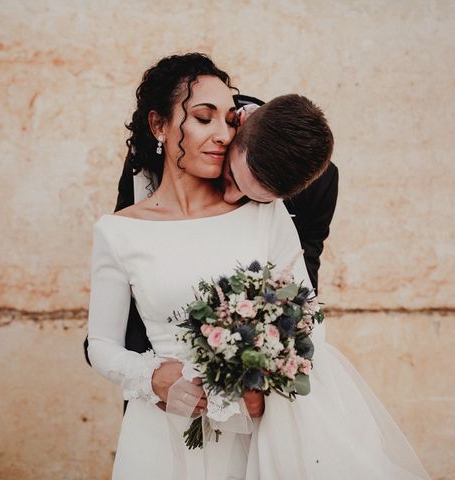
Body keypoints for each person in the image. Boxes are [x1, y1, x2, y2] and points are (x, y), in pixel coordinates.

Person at [87, 53, 430, 479]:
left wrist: (264, 380)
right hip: (162, 427)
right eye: (202, 118)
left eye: (228, 121)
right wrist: (149, 376)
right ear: (160, 126)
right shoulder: (122, 227)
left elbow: (306, 314)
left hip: (258, 427)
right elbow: (100, 343)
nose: (220, 136)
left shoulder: (272, 211)